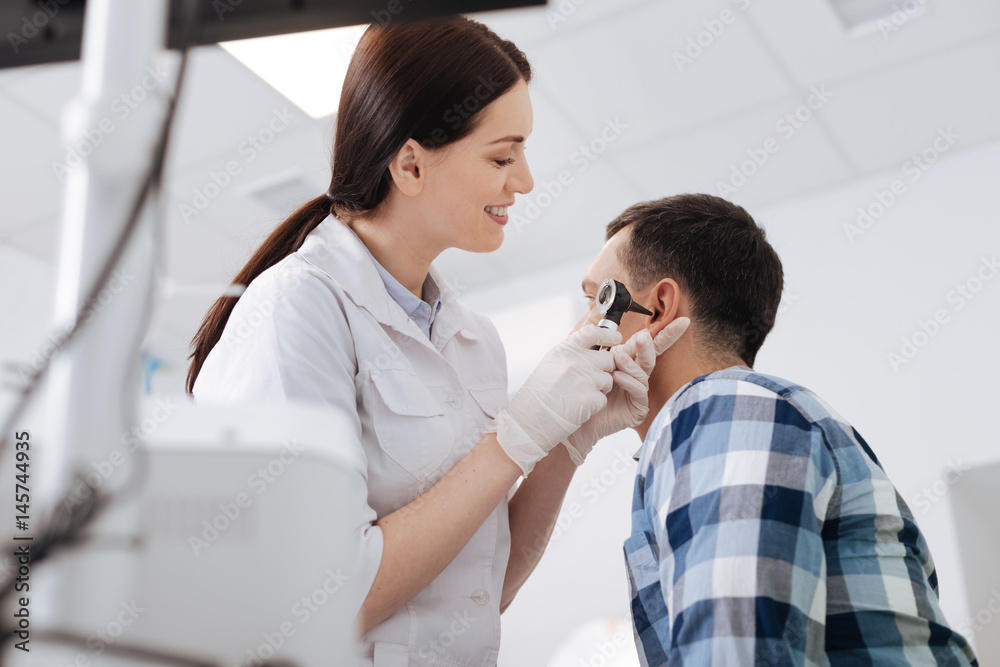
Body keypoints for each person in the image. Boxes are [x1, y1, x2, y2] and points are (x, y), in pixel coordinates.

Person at [185, 16, 687, 665]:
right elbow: (322, 598)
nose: (526, 180)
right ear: (411, 163)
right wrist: (513, 437)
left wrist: (567, 441)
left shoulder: (475, 339)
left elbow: (474, 593)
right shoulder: (296, 309)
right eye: (503, 156)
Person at [574, 193, 979, 666]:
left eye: (595, 298)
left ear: (659, 308)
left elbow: (735, 654)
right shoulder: (718, 417)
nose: (581, 327)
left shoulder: (719, 409)